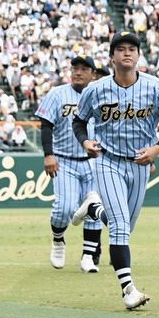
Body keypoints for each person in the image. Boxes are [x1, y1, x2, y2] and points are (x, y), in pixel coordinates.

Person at [73, 32, 159, 310]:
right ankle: (128, 290)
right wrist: (86, 141)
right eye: (120, 49)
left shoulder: (155, 87)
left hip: (140, 164)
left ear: (138, 55)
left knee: (124, 228)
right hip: (108, 161)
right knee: (120, 228)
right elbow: (79, 122)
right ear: (112, 57)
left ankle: (94, 208)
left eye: (131, 48)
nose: (126, 53)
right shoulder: (95, 90)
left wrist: (157, 149)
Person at [34, 55, 105, 273]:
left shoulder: (102, 96)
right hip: (65, 160)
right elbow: (46, 125)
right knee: (63, 208)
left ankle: (88, 257)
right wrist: (48, 154)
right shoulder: (58, 94)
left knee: (95, 210)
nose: (78, 72)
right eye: (75, 68)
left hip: (95, 161)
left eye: (84, 69)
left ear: (93, 74)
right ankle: (58, 240)